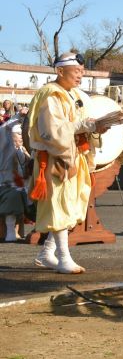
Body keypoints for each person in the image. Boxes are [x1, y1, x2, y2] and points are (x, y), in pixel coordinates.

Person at [26, 52, 106, 273]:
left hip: (75, 155)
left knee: (71, 205)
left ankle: (46, 254)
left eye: (82, 71)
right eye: (77, 71)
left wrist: (96, 127)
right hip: (56, 157)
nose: (80, 75)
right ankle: (63, 257)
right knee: (59, 205)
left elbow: (80, 125)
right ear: (60, 71)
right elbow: (53, 131)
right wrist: (85, 126)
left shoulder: (73, 94)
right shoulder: (51, 95)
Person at [0, 120, 30, 242]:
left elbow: (25, 163)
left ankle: (16, 232)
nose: (19, 142)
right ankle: (10, 232)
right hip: (6, 184)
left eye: (20, 140)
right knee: (12, 198)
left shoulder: (21, 150)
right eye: (16, 140)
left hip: (19, 183)